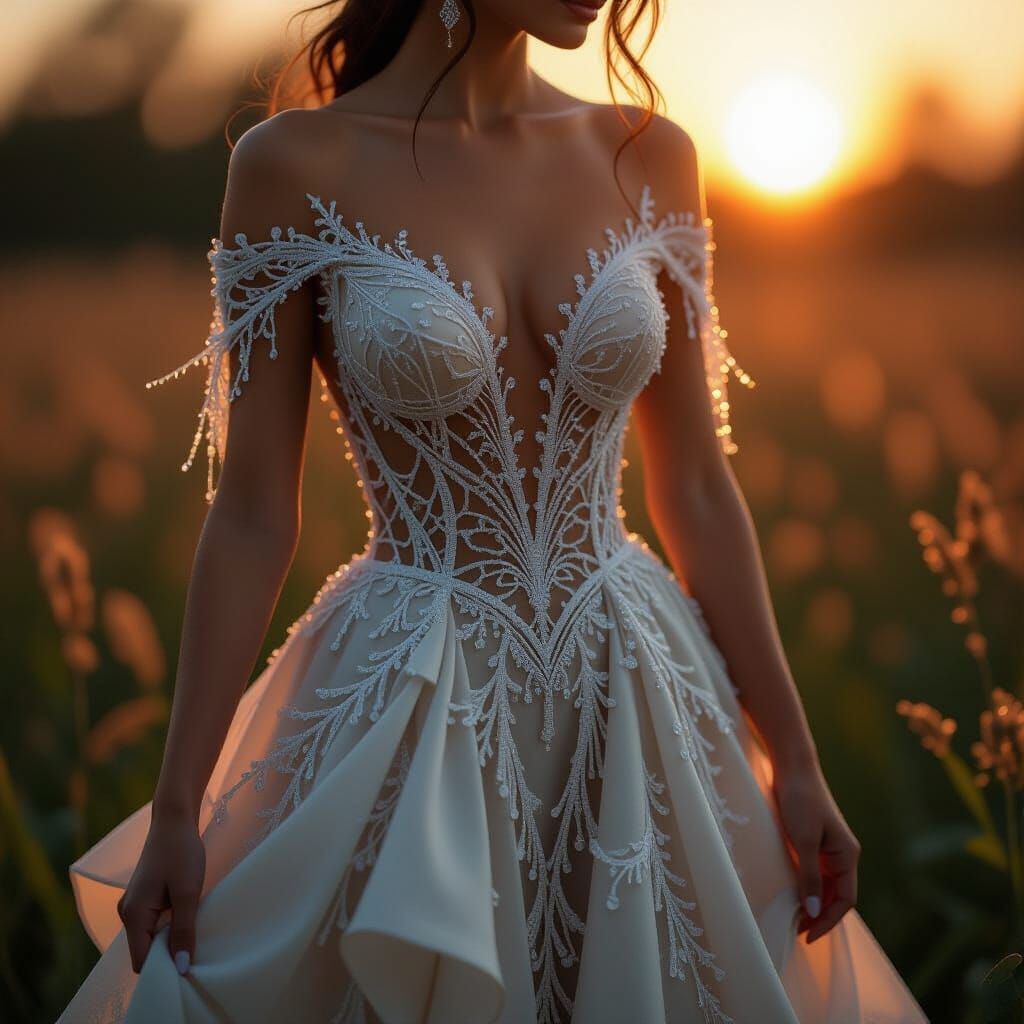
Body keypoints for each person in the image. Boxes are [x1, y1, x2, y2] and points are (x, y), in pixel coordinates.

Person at [58, 1, 930, 1021]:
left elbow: (693, 482)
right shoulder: (293, 164)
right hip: (414, 699)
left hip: (634, 686)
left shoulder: (649, 156)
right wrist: (176, 808)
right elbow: (252, 510)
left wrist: (795, 758)